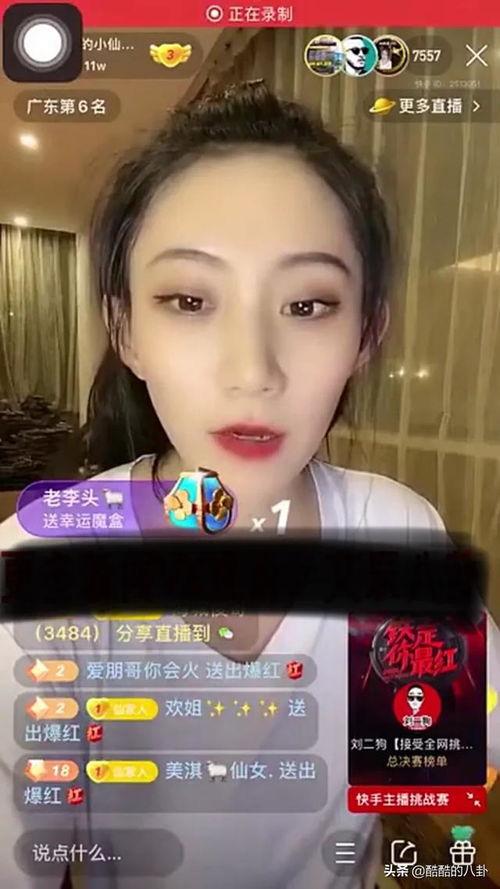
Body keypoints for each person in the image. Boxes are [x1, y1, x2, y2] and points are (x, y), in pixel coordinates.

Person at [0, 80, 498, 889]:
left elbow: (443, 774)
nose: (253, 371)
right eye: (190, 299)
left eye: (308, 304)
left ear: (366, 333)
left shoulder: (396, 532)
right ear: (126, 330)